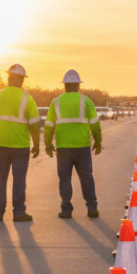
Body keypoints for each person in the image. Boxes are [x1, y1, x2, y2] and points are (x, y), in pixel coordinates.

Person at [0, 63, 41, 222]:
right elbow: (35, 125)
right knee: (19, 180)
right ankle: (19, 212)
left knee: (0, 179)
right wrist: (36, 144)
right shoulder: (27, 98)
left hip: (2, 145)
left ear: (9, 78)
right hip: (21, 147)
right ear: (22, 80)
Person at [44, 68, 103, 219]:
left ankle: (66, 210)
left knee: (65, 179)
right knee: (86, 177)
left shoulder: (55, 102)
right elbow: (95, 124)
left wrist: (48, 144)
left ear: (65, 85)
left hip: (63, 147)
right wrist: (97, 141)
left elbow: (49, 126)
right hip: (82, 146)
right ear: (78, 85)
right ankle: (92, 207)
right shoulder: (86, 101)